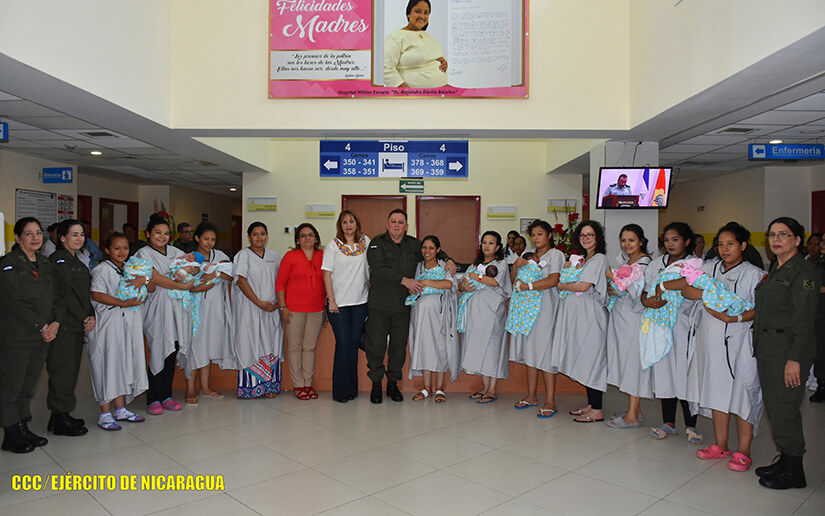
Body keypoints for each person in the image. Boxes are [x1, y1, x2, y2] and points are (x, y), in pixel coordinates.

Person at [673, 222, 763, 471]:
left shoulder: (754, 274)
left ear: (743, 245)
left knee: (743, 393)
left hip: (740, 341)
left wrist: (733, 317)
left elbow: (759, 309)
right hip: (709, 342)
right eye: (720, 244)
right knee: (716, 391)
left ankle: (743, 450)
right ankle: (721, 445)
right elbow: (688, 290)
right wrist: (708, 293)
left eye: (730, 244)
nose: (724, 249)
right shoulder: (709, 268)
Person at [753, 217, 821, 489]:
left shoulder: (803, 273)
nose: (776, 239)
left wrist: (795, 359)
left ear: (797, 240)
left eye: (784, 234)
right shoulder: (777, 268)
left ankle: (795, 470)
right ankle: (785, 459)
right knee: (774, 408)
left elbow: (804, 321)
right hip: (769, 350)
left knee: (785, 409)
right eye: (772, 234)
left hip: (788, 353)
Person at [365, 209, 455, 404]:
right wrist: (404, 280)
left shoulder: (414, 244)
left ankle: (392, 384)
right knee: (377, 346)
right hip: (379, 304)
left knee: (398, 347)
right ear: (387, 224)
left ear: (406, 226)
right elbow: (378, 269)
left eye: (401, 222)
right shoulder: (376, 243)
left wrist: (448, 260)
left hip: (402, 306)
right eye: (393, 221)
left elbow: (432, 249)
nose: (397, 225)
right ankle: (376, 385)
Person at [0, 218, 63, 453]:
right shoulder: (8, 264)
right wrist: (41, 325)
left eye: (38, 233)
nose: (36, 238)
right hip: (17, 336)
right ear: (17, 238)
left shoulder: (46, 264)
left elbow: (57, 297)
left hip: (42, 335)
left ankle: (21, 426)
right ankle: (10, 433)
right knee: (11, 384)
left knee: (28, 384)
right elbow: (15, 301)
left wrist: (56, 322)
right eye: (29, 234)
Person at [644, 222, 703, 444]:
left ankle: (691, 424)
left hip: (685, 326)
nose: (670, 244)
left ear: (687, 241)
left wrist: (665, 288)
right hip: (660, 325)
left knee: (685, 374)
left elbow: (692, 284)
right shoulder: (657, 264)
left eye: (675, 239)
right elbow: (646, 291)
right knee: (665, 374)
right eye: (667, 240)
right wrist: (647, 301)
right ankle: (668, 423)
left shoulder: (694, 263)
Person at [88, 232, 150, 430]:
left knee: (123, 364)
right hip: (109, 324)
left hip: (128, 323)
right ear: (107, 250)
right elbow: (96, 294)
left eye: (125, 248)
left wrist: (144, 280)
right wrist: (122, 303)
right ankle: (105, 413)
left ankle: (120, 408)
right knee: (107, 366)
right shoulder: (102, 270)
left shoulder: (131, 269)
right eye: (116, 248)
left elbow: (149, 288)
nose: (122, 252)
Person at [552, 221, 609, 423]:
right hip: (580, 317)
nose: (586, 238)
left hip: (591, 317)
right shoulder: (584, 259)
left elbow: (583, 286)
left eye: (590, 235)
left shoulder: (599, 259)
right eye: (583, 235)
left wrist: (561, 283)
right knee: (585, 358)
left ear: (598, 238)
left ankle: (598, 409)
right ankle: (592, 404)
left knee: (593, 359)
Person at [135, 214, 193, 415]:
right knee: (159, 349)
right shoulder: (143, 254)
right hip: (156, 310)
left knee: (173, 350)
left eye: (166, 233)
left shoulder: (176, 251)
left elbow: (192, 269)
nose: (162, 236)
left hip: (177, 310)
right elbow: (156, 278)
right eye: (157, 233)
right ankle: (153, 398)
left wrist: (186, 276)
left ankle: (166, 395)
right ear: (148, 234)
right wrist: (181, 283)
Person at [46, 219, 97, 437]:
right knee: (62, 371)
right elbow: (65, 295)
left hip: (76, 324)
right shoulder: (58, 261)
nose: (79, 239)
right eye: (74, 235)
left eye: (82, 235)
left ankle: (58, 416)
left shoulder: (76, 260)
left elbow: (85, 293)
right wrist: (84, 316)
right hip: (65, 324)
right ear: (62, 238)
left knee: (70, 370)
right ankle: (60, 418)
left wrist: (91, 314)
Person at [508, 220, 564, 418]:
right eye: (533, 234)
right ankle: (531, 395)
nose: (536, 238)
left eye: (540, 234)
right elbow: (514, 279)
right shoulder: (527, 255)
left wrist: (528, 287)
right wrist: (516, 265)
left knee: (546, 353)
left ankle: (550, 400)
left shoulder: (556, 255)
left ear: (549, 235)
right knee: (530, 352)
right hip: (526, 310)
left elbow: (553, 280)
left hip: (546, 309)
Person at [605, 224, 653, 428]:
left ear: (641, 241)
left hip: (635, 319)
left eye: (631, 240)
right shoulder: (628, 261)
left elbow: (632, 289)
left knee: (633, 363)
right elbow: (618, 287)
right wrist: (614, 287)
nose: (627, 244)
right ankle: (636, 410)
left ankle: (632, 415)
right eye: (624, 240)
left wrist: (613, 280)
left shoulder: (644, 263)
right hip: (622, 317)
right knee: (625, 361)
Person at [182, 222, 232, 406]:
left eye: (212, 239)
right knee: (194, 346)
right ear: (197, 238)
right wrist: (211, 274)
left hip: (215, 309)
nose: (209, 243)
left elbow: (231, 274)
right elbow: (187, 283)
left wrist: (214, 272)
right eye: (206, 239)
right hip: (195, 310)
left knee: (207, 346)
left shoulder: (220, 256)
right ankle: (189, 389)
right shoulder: (189, 258)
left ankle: (204, 387)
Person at [232, 222, 284, 399]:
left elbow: (282, 281)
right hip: (250, 308)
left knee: (271, 344)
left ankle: (269, 387)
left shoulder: (275, 256)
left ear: (267, 236)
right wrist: (258, 303)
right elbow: (241, 281)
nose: (259, 237)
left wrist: (278, 303)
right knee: (250, 343)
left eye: (262, 234)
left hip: (272, 309)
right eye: (255, 234)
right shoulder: (243, 255)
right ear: (249, 237)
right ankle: (251, 388)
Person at [322, 210, 370, 403]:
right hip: (338, 304)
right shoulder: (333, 246)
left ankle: (352, 389)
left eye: (351, 221)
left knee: (352, 345)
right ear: (340, 226)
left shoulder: (365, 242)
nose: (348, 225)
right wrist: (331, 300)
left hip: (360, 303)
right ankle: (340, 392)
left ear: (357, 223)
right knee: (342, 345)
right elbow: (326, 275)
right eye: (344, 222)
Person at [459, 231, 511, 404]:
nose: (487, 246)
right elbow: (463, 281)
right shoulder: (475, 265)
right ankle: (484, 387)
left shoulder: (500, 264)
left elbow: (495, 282)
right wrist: (464, 286)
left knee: (492, 349)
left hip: (493, 313)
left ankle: (492, 390)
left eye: (491, 243)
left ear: (497, 246)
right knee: (480, 348)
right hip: (476, 313)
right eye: (484, 242)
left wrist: (477, 277)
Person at [276, 223, 326, 401]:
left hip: (316, 309)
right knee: (295, 348)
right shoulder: (290, 256)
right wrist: (283, 307)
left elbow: (329, 282)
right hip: (293, 310)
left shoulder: (323, 256)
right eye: (303, 236)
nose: (307, 238)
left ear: (316, 238)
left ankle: (308, 383)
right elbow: (280, 284)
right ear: (297, 240)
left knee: (310, 348)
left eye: (310, 235)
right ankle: (298, 384)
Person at [408, 235, 458, 403]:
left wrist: (428, 282)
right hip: (420, 315)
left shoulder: (445, 266)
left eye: (431, 248)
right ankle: (426, 389)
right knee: (423, 348)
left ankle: (439, 389)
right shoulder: (418, 267)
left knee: (439, 348)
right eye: (424, 248)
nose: (427, 251)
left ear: (438, 250)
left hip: (439, 314)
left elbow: (448, 284)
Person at [384, 0, 448, 89]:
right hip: (416, 96)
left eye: (426, 13)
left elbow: (430, 57)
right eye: (418, 11)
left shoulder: (427, 36)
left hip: (442, 90)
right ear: (408, 13)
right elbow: (386, 68)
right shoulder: (396, 36)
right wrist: (406, 92)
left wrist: (443, 63)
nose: (422, 16)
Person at [810, 238, 825, 403]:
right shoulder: (815, 262)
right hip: (817, 314)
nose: (821, 244)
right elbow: (808, 282)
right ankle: (821, 384)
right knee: (819, 352)